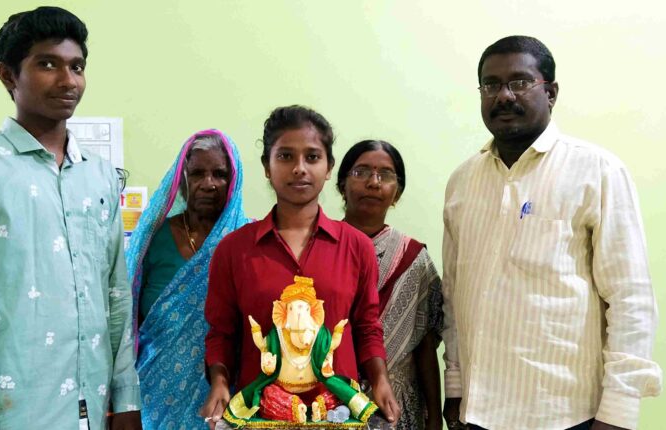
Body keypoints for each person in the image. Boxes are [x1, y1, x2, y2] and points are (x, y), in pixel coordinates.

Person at [0, 7, 141, 430]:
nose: (68, 81)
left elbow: (116, 296)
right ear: (8, 75)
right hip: (14, 415)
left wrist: (126, 400)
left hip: (93, 412)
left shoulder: (100, 175)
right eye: (47, 64)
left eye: (77, 67)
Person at [441, 35, 662, 430]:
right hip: (477, 412)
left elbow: (630, 298)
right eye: (491, 85)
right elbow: (454, 293)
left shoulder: (597, 171)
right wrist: (455, 385)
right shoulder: (462, 181)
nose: (504, 95)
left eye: (520, 82)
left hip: (565, 415)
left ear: (551, 92)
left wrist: (618, 411)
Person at [200, 105, 401, 428]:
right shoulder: (234, 250)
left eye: (312, 157)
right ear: (267, 167)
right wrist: (220, 384)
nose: (299, 168)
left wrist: (380, 380)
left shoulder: (356, 247)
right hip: (262, 417)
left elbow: (367, 327)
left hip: (338, 416)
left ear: (329, 167)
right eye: (285, 156)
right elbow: (221, 333)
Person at [125, 129, 250, 429]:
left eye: (220, 174)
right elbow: (125, 316)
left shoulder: (248, 241)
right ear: (181, 180)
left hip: (227, 392)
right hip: (154, 390)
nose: (208, 183)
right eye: (197, 174)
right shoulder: (152, 238)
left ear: (233, 181)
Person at [337, 140, 444, 430]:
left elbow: (425, 345)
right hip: (331, 403)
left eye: (385, 175)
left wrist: (435, 418)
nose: (373, 182)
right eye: (361, 172)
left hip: (398, 407)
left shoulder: (415, 260)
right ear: (342, 185)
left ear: (397, 193)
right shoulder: (321, 249)